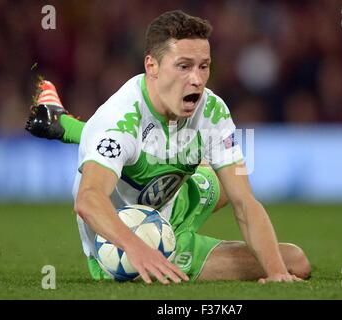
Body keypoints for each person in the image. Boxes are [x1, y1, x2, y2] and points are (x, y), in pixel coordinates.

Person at [26, 10, 311, 284]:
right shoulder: (119, 120)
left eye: (204, 66)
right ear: (152, 66)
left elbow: (245, 202)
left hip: (173, 202)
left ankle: (66, 126)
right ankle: (72, 130)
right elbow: (88, 200)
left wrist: (275, 273)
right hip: (124, 245)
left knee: (289, 260)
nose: (197, 80)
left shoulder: (211, 110)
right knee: (293, 260)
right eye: (184, 66)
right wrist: (138, 248)